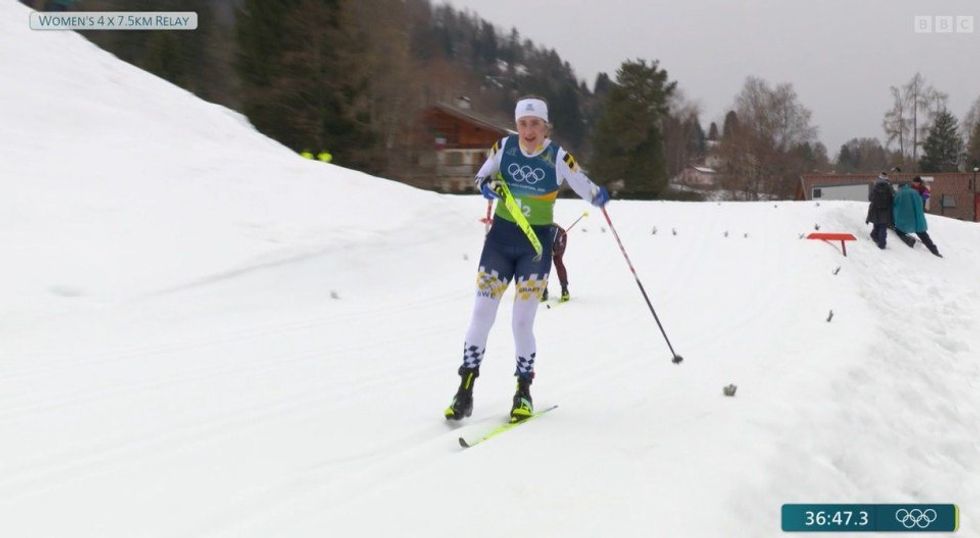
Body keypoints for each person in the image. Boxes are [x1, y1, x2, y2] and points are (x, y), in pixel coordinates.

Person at [445, 97, 609, 423]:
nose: (529, 130)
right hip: (501, 242)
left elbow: (582, 183)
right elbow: (481, 177)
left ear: (545, 126)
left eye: (535, 124)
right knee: (481, 314)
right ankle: (465, 388)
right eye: (523, 123)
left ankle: (523, 390)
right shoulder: (504, 148)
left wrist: (597, 196)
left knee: (521, 321)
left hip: (535, 247)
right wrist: (487, 187)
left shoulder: (557, 156)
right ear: (517, 124)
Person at [893, 182, 942, 257]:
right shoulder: (915, 192)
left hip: (905, 218)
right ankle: (935, 251)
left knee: (899, 231)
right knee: (923, 235)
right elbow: (921, 202)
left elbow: (894, 204)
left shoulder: (899, 193)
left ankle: (909, 241)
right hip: (917, 217)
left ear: (900, 187)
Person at [541, 225, 570, 302]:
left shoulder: (553, 233)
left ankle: (565, 290)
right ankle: (544, 290)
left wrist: (554, 251)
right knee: (543, 263)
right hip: (548, 240)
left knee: (557, 260)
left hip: (560, 237)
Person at [866, 172, 894, 249]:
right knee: (883, 226)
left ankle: (874, 236)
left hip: (875, 208)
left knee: (876, 224)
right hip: (885, 209)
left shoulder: (874, 185)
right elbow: (892, 197)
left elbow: (870, 198)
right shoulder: (889, 186)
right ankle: (882, 243)